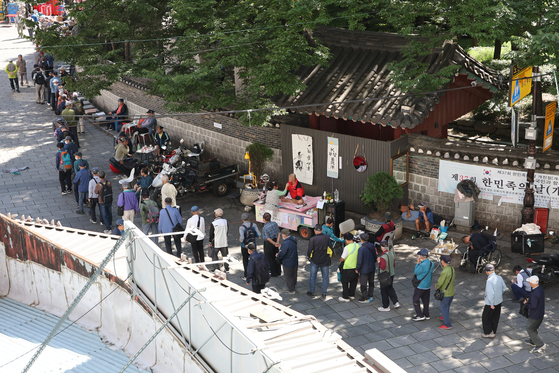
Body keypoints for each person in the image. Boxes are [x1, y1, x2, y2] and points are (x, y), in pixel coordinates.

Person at [481, 264, 507, 338]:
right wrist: (498, 294)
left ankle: (488, 332)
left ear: (487, 272)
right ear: (494, 270)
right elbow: (504, 288)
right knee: (495, 317)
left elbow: (490, 293)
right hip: (499, 301)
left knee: (486, 317)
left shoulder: (489, 280)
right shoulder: (499, 277)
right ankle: (493, 331)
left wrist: (491, 304)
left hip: (491, 303)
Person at [306, 224, 331, 299]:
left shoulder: (312, 239)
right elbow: (330, 248)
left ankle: (312, 292)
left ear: (314, 231)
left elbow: (310, 250)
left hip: (315, 260)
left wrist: (309, 257)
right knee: (325, 277)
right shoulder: (327, 238)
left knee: (313, 276)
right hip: (325, 260)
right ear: (322, 230)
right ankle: (324, 293)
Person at [524, 276, 546, 353]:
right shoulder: (540, 289)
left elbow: (533, 306)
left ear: (531, 283)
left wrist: (526, 304)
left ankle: (539, 344)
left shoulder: (534, 293)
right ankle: (533, 340)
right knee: (535, 328)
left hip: (534, 315)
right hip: (540, 313)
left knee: (529, 328)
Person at [377, 241, 400, 311]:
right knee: (390, 288)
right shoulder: (391, 254)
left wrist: (379, 261)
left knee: (383, 290)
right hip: (391, 274)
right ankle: (396, 302)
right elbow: (394, 265)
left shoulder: (383, 257)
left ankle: (386, 306)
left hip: (384, 276)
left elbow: (383, 267)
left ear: (381, 247)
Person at [412, 248, 434, 321]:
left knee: (415, 299)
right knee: (426, 301)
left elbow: (416, 272)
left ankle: (419, 315)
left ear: (421, 256)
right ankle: (426, 314)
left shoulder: (422, 265)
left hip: (421, 285)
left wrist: (418, 264)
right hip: (427, 285)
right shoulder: (431, 263)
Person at [356, 233, 377, 303]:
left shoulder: (361, 249)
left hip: (364, 269)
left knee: (363, 284)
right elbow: (375, 256)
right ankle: (370, 295)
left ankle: (365, 297)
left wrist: (357, 269)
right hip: (372, 267)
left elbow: (359, 261)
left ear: (361, 239)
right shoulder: (372, 245)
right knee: (371, 282)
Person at [239, 212, 261, 279]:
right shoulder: (253, 225)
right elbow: (259, 234)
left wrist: (240, 240)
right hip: (253, 245)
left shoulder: (241, 227)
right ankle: (255, 274)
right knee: (254, 259)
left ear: (242, 219)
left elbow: (242, 238)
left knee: (245, 260)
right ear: (249, 218)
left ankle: (246, 275)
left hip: (244, 246)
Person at [339, 233, 359, 302]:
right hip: (356, 267)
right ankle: (352, 294)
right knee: (353, 281)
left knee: (344, 282)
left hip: (347, 267)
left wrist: (340, 261)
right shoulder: (357, 245)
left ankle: (345, 297)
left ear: (346, 240)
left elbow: (342, 258)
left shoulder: (347, 248)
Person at [436, 255, 455, 330]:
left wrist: (437, 286)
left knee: (444, 307)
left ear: (443, 262)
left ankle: (447, 324)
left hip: (445, 293)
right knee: (447, 306)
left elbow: (440, 282)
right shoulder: (452, 269)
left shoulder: (445, 271)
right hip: (451, 291)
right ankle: (444, 317)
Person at [277, 229, 298, 293]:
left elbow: (282, 254)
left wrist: (278, 255)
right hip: (295, 261)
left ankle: (291, 290)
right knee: (294, 275)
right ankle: (293, 285)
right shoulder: (294, 239)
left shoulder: (286, 243)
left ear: (284, 235)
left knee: (288, 276)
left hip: (288, 262)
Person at [262, 212, 281, 277]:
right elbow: (278, 233)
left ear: (264, 219)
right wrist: (277, 242)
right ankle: (279, 271)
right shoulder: (275, 224)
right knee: (276, 256)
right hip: (275, 240)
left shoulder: (265, 227)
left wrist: (274, 243)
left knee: (269, 258)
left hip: (269, 244)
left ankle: (274, 272)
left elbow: (268, 238)